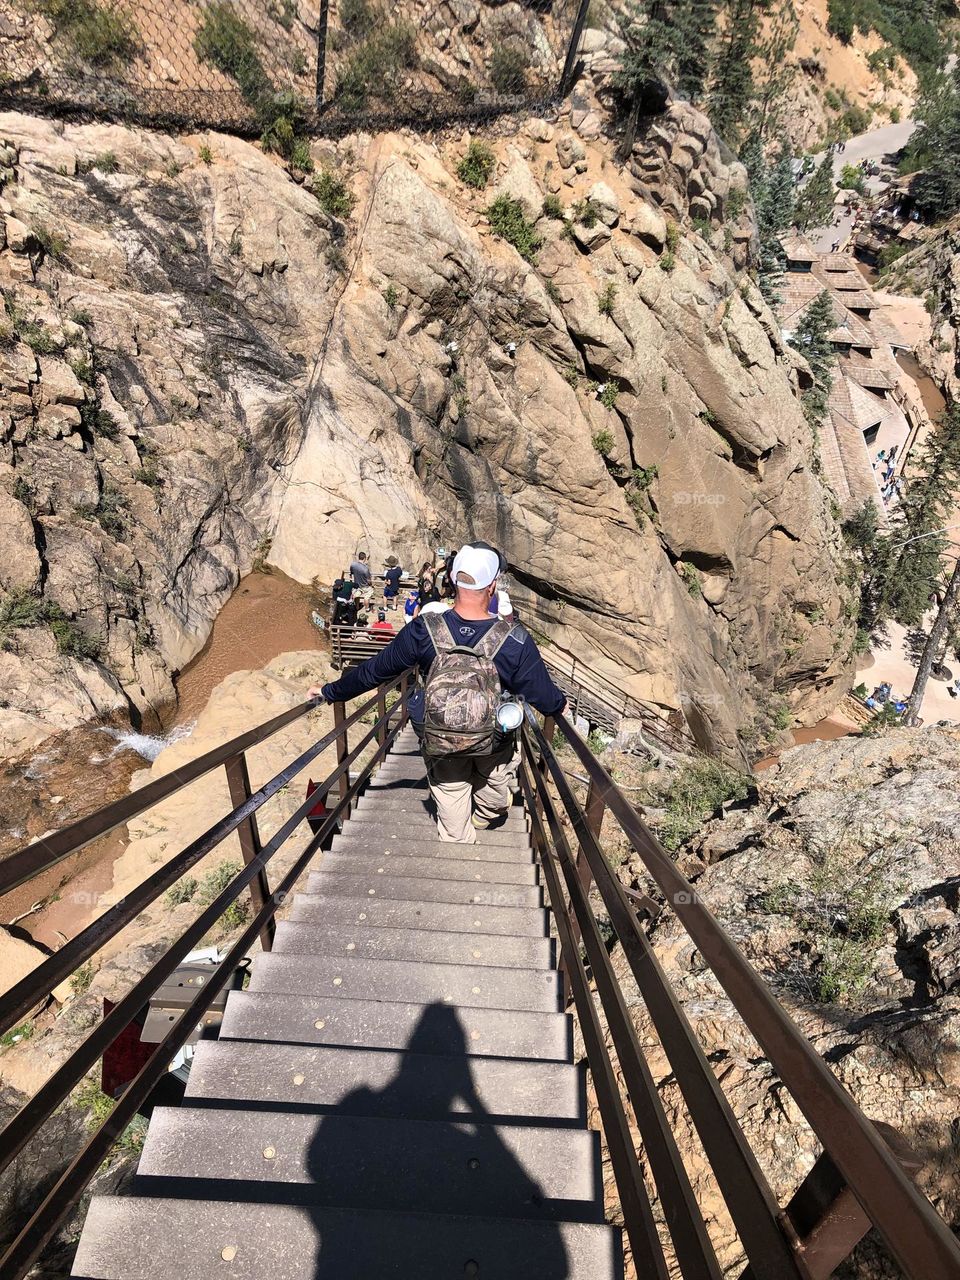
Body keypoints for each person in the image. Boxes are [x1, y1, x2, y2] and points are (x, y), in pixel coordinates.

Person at [309, 545, 566, 843]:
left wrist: (329, 692)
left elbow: (374, 671)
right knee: (496, 799)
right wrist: (560, 704)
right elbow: (545, 697)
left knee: (457, 811)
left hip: (440, 739)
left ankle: (468, 833)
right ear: (492, 586)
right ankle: (484, 814)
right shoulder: (515, 641)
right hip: (494, 741)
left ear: (454, 582)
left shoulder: (423, 630)